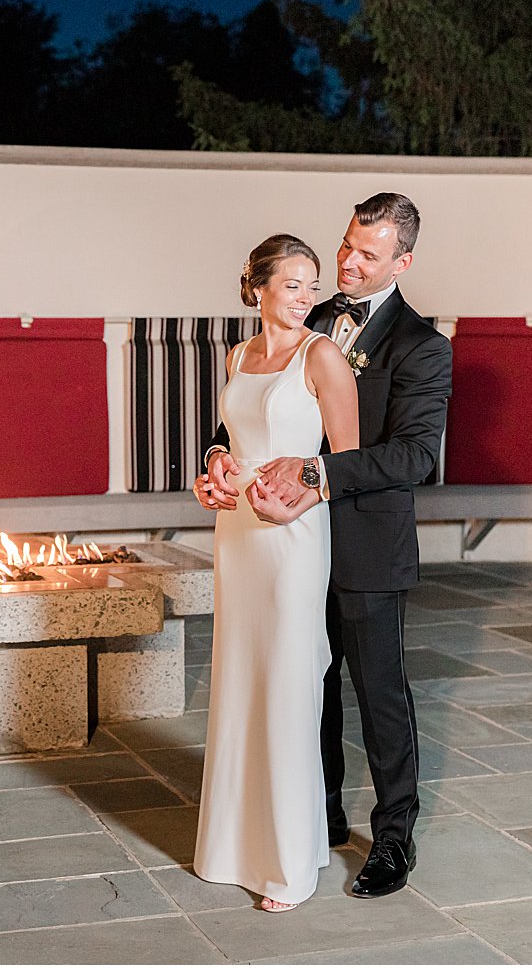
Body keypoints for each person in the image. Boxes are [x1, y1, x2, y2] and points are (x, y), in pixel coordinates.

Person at [201, 193, 452, 900]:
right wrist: (220, 454)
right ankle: (321, 816)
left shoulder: (423, 347)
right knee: (303, 684)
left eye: (367, 254)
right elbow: (259, 412)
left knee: (378, 694)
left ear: (402, 262)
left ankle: (394, 838)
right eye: (347, 244)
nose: (347, 261)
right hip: (287, 542)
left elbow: (414, 458)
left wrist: (317, 473)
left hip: (366, 544)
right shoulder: (305, 316)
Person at [191, 233, 359, 912]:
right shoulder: (239, 354)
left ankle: (289, 863)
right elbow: (232, 438)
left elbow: (346, 461)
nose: (305, 296)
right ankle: (233, 845)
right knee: (240, 680)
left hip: (292, 534)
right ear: (257, 286)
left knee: (290, 685)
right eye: (293, 283)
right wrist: (216, 466)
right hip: (236, 533)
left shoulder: (323, 356)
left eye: (312, 284)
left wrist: (303, 496)